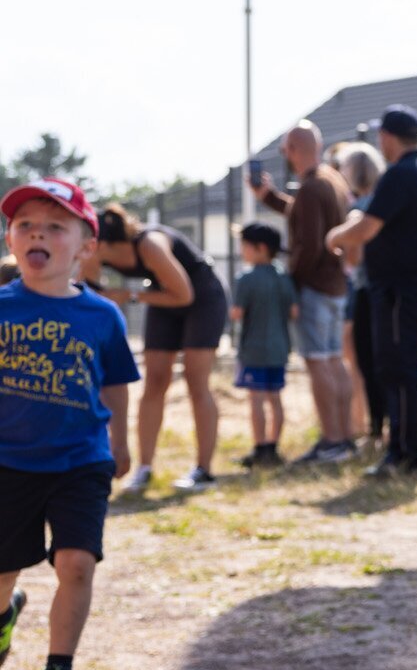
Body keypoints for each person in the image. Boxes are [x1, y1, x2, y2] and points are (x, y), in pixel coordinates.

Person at [0, 179, 138, 670]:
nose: (37, 233)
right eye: (25, 225)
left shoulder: (102, 316)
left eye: (55, 226)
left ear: (86, 246)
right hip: (8, 462)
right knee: (3, 572)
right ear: (10, 239)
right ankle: (5, 616)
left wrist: (121, 441)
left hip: (82, 460)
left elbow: (116, 383)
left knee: (76, 564)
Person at [327, 106, 417, 479]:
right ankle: (405, 451)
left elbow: (367, 227)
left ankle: (404, 455)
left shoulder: (400, 174)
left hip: (400, 287)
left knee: (398, 369)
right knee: (404, 368)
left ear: (388, 137)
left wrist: (335, 236)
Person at [94, 204, 227, 495]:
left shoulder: (150, 244)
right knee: (154, 380)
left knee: (196, 380)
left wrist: (129, 295)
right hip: (162, 297)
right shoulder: (95, 252)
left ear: (101, 243)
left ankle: (204, 471)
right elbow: (88, 285)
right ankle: (144, 468)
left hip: (201, 297)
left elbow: (184, 294)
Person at [249, 121, 356, 462]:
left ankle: (331, 440)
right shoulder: (331, 180)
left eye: (285, 149)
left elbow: (308, 243)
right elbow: (305, 215)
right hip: (336, 286)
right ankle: (345, 437)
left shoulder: (311, 188)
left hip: (315, 288)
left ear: (293, 150)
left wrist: (290, 285)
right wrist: (268, 197)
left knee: (318, 362)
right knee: (334, 360)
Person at [229, 223, 297, 470]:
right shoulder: (284, 277)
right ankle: (273, 447)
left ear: (261, 248)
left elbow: (237, 313)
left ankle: (259, 448)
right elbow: (294, 312)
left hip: (253, 349)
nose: (242, 250)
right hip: (279, 348)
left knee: (256, 399)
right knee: (275, 398)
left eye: (245, 245)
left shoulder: (246, 278)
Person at [331, 144, 384, 447]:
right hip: (389, 289)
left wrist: (339, 244)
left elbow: (354, 258)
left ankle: (374, 430)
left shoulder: (357, 211)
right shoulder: (384, 203)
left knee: (366, 362)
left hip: (365, 291)